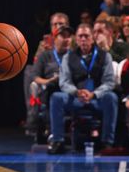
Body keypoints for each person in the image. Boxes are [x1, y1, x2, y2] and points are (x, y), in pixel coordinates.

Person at [48, 24, 118, 154]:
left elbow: (109, 82)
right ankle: (58, 141)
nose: (84, 39)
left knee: (112, 97)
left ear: (93, 38)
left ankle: (107, 142)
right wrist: (76, 92)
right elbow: (64, 82)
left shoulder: (105, 56)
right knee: (56, 98)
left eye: (87, 36)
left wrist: (94, 94)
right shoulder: (68, 57)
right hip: (76, 97)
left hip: (97, 98)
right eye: (80, 36)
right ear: (77, 39)